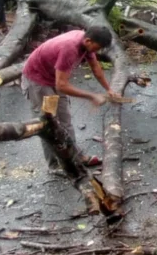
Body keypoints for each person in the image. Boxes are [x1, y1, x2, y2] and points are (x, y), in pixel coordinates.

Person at [21, 26, 116, 166]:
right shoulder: (70, 48)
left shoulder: (86, 43)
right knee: (49, 125)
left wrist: (109, 89)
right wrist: (92, 96)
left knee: (65, 122)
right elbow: (62, 86)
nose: (96, 52)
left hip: (53, 77)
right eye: (96, 48)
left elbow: (95, 68)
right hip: (37, 81)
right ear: (88, 40)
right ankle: (54, 165)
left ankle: (75, 157)